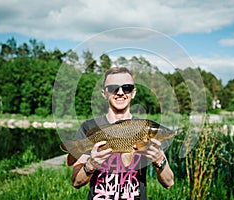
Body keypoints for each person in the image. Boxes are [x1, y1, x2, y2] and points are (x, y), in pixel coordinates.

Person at [71, 67, 174, 199]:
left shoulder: (146, 128)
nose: (120, 92)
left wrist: (159, 160)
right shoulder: (89, 127)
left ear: (133, 92)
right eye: (113, 87)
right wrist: (90, 165)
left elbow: (169, 183)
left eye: (126, 88)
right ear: (104, 93)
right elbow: (75, 182)